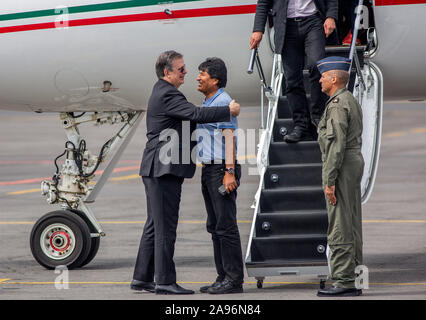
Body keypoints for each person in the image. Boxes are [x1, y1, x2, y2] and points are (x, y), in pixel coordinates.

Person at [130, 50, 241, 295]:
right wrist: (229, 111)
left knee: (155, 225)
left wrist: (230, 169)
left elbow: (226, 135)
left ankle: (142, 278)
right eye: (181, 69)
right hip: (163, 169)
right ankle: (164, 281)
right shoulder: (168, 93)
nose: (187, 73)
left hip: (165, 168)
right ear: (167, 72)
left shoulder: (167, 92)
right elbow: (195, 115)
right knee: (164, 227)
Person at [250, 0, 338, 142]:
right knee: (292, 80)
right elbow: (263, 3)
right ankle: (301, 125)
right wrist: (257, 29)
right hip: (286, 26)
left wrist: (330, 16)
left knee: (316, 65)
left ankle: (318, 118)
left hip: (313, 21)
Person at [315, 56, 364, 297]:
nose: (319, 81)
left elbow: (335, 145)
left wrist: (329, 181)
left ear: (334, 79)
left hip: (341, 165)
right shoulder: (349, 99)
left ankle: (344, 280)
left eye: (323, 77)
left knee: (340, 225)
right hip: (351, 162)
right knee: (352, 222)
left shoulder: (336, 105)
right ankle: (356, 278)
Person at [195, 57, 244, 294]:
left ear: (215, 79)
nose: (198, 77)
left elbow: (229, 138)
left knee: (226, 226)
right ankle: (222, 276)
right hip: (209, 169)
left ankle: (234, 280)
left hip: (221, 169)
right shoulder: (208, 102)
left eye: (202, 73)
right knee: (215, 226)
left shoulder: (223, 101)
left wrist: (229, 172)